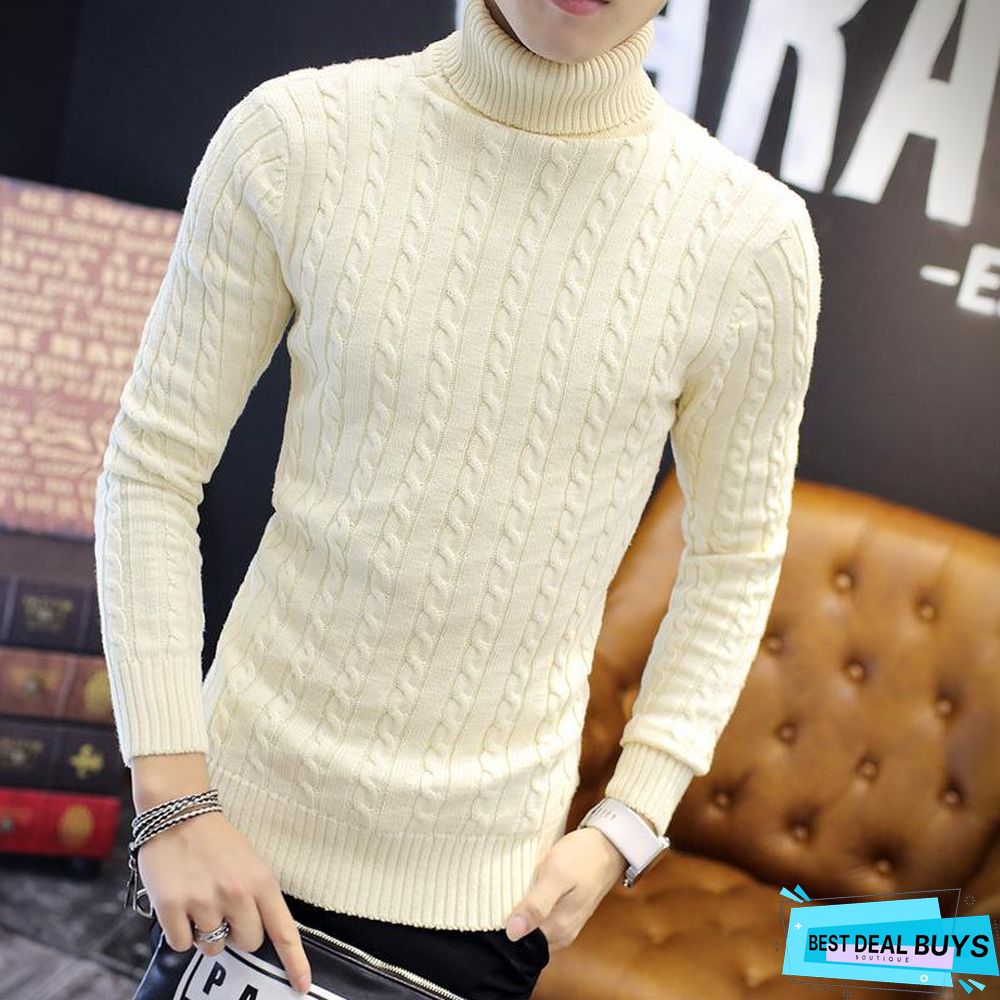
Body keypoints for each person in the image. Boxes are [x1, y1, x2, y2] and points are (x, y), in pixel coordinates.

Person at [93, 0, 822, 997]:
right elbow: (152, 464)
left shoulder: (748, 238)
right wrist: (173, 795)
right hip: (237, 833)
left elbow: (735, 556)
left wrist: (631, 817)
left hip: (487, 897)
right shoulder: (297, 138)